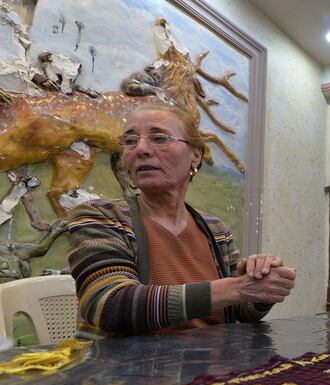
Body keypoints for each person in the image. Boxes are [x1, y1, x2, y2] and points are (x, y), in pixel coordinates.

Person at [68, 103, 296, 338]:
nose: (141, 149)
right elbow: (111, 307)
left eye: (158, 138)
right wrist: (236, 287)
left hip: (213, 367)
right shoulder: (100, 216)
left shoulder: (215, 229)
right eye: (130, 141)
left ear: (195, 155)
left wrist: (260, 286)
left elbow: (238, 310)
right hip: (131, 370)